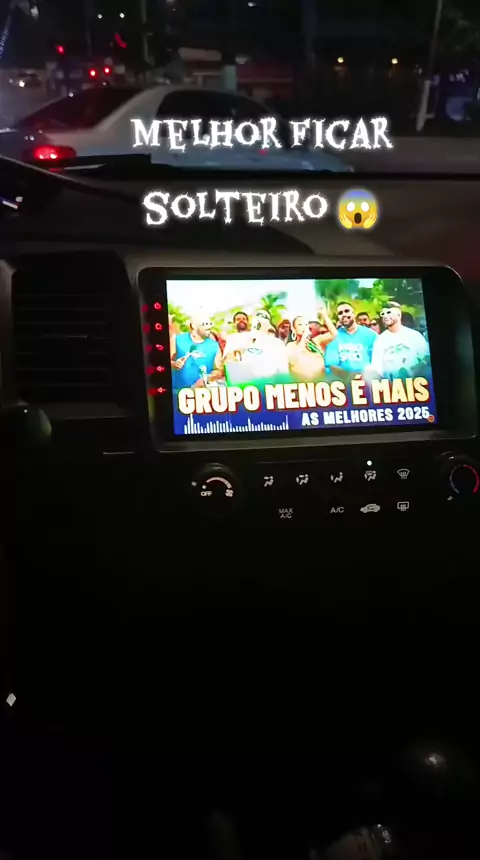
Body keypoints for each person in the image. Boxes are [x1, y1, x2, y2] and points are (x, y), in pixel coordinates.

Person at [223, 309, 289, 383]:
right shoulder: (234, 338)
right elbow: (227, 361)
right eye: (238, 319)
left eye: (244, 319)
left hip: (270, 383)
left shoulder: (277, 343)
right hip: (244, 382)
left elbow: (283, 370)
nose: (241, 320)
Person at [370, 301, 429, 378]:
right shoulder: (380, 340)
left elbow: (425, 358)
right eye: (383, 314)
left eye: (388, 312)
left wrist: (412, 371)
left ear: (399, 314)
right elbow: (377, 368)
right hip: (391, 383)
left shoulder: (414, 336)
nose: (385, 316)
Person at [170, 312, 224, 389]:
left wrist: (209, 377)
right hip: (176, 391)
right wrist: (174, 364)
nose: (209, 327)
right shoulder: (177, 340)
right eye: (205, 324)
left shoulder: (214, 345)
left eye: (210, 324)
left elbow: (219, 370)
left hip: (201, 393)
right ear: (194, 326)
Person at [286, 303, 337, 381]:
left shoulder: (316, 341)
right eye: (300, 324)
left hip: (319, 384)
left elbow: (334, 334)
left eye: (306, 324)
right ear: (293, 328)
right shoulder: (291, 346)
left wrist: (324, 315)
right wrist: (304, 338)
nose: (304, 327)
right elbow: (293, 360)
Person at [325, 301, 377, 375]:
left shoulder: (371, 335)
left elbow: (378, 362)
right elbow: (331, 365)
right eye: (340, 313)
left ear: (354, 314)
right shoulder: (334, 337)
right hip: (343, 379)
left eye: (347, 311)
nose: (344, 314)